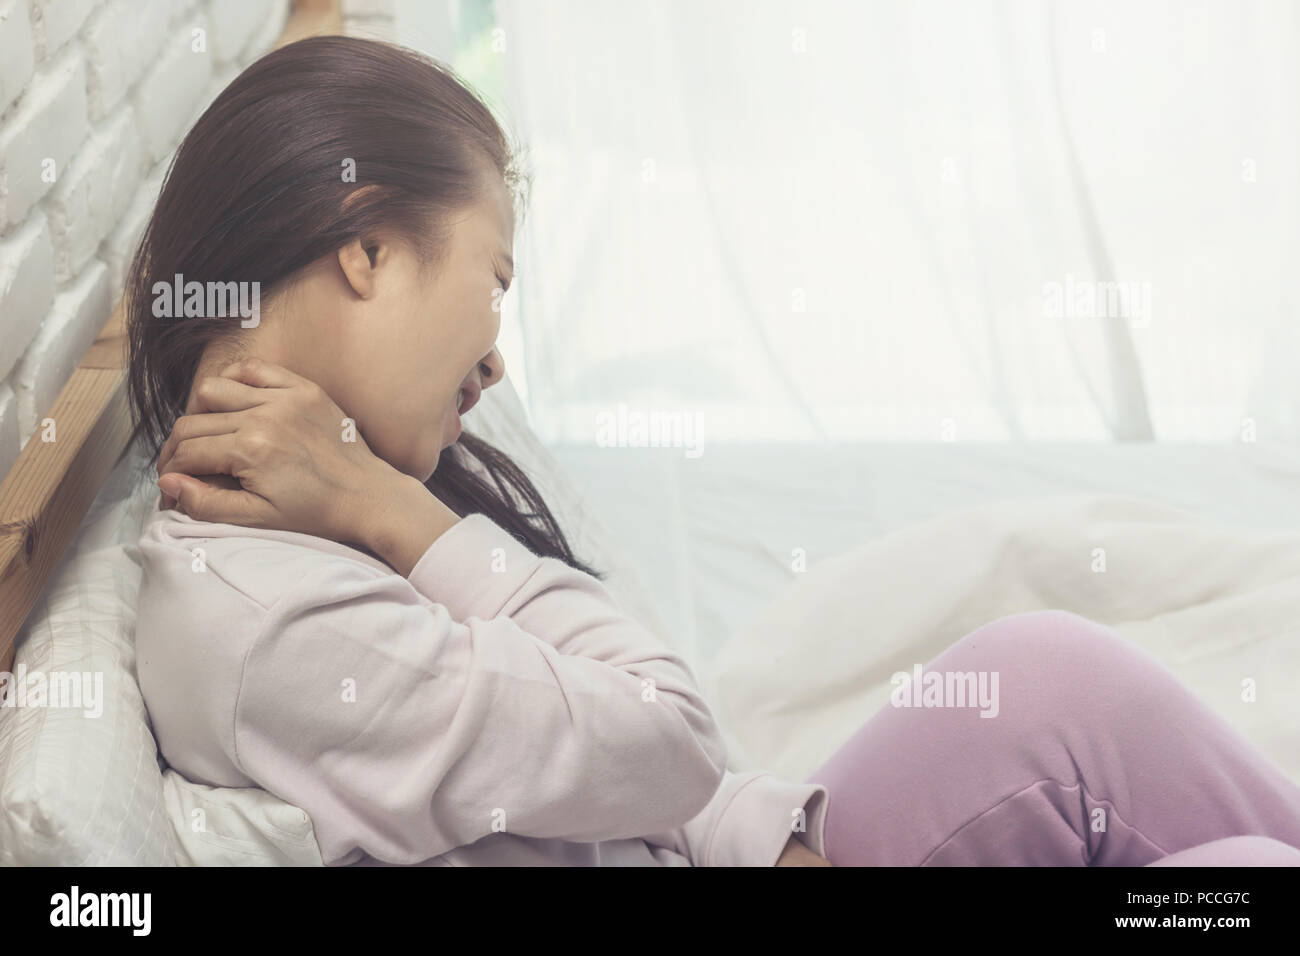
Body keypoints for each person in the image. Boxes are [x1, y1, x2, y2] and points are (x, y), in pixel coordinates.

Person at [131, 36, 1300, 867]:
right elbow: (669, 733)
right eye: (494, 280)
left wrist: (775, 833)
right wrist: (401, 512)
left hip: (746, 840)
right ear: (368, 248)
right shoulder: (274, 624)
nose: (493, 364)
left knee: (1051, 675)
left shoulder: (306, 518)